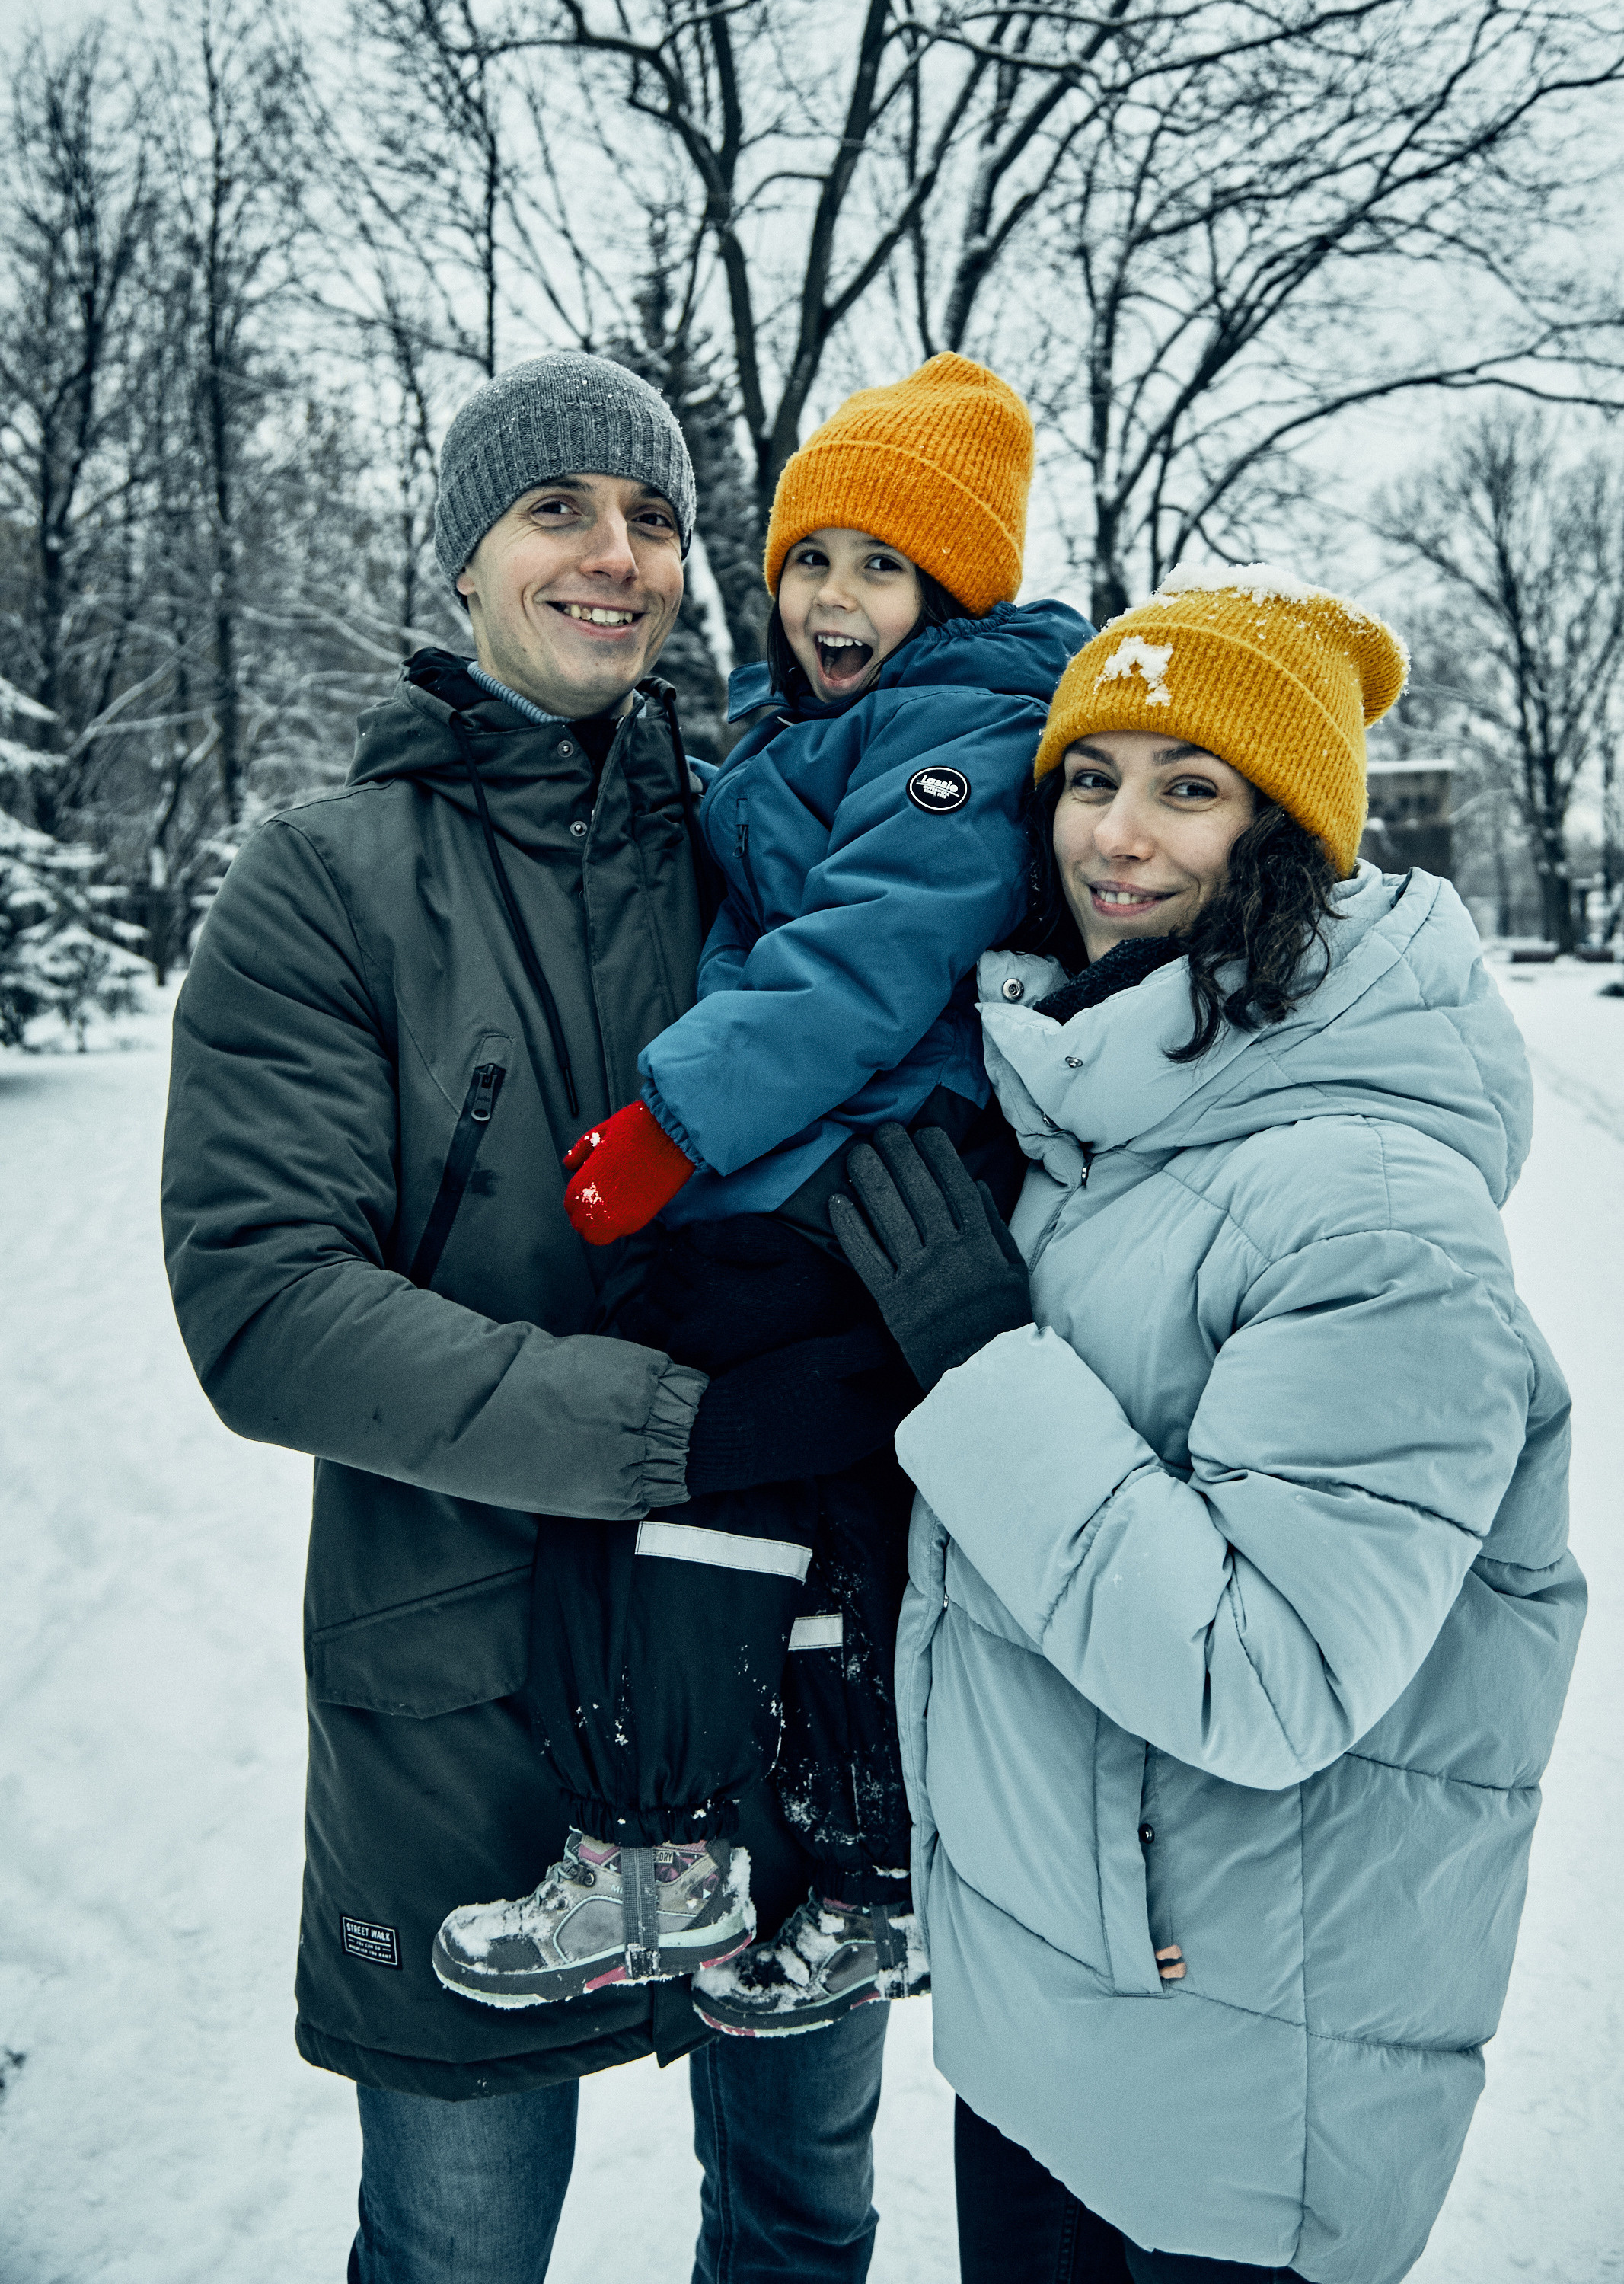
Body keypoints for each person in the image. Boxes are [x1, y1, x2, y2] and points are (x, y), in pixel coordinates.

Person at [161, 350, 913, 2283]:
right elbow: (267, 1303)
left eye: (654, 518)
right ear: (463, 559)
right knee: (453, 2253)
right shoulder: (322, 887)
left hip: (775, 1682)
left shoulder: (773, 844)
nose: (618, 557)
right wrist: (666, 1428)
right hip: (463, 1707)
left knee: (801, 2222)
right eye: (557, 511)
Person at [828, 565, 1586, 2282]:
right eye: (1090, 778)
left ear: (1285, 841)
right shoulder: (1101, 1117)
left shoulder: (1375, 1207)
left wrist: (977, 1364)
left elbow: (1266, 1682)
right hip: (1058, 2021)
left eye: (1190, 787)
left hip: (1242, 2089)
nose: (1119, 835)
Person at [431, 352, 1088, 2036]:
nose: (833, 594)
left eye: (882, 562)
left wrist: (670, 1124)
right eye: (810, 555)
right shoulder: (806, 731)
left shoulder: (961, 733)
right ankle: (828, 1861)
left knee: (704, 1444)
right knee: (791, 1501)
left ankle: (666, 1835)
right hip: (800, 1164)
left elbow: (859, 964)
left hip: (869, 1168)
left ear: (949, 589)